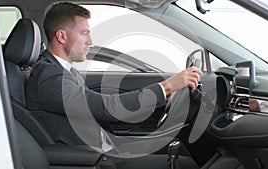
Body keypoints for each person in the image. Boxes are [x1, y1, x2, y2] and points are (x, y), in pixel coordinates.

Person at [26, 2, 201, 168]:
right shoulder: (50, 77)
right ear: (62, 36)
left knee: (179, 148)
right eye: (84, 33)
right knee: (184, 164)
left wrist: (165, 94)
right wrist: (167, 86)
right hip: (90, 157)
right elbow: (108, 107)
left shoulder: (62, 69)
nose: (90, 41)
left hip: (104, 147)